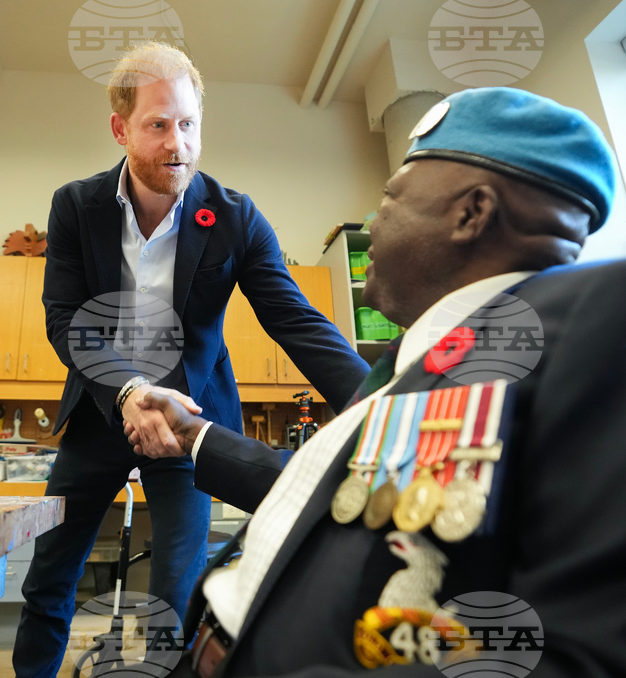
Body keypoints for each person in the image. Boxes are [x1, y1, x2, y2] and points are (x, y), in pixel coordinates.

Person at [129, 87, 626, 677]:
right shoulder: (423, 361)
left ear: (472, 213)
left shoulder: (599, 320)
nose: (372, 219)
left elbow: (586, 652)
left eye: (390, 196)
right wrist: (195, 435)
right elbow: (336, 502)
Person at [14, 42, 370, 677]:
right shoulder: (76, 206)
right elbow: (65, 320)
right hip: (102, 413)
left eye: (188, 124)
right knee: (49, 580)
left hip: (190, 420)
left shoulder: (235, 218)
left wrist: (384, 405)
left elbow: (294, 319)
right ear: (120, 128)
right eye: (158, 125)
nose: (177, 143)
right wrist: (127, 392)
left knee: (179, 592)